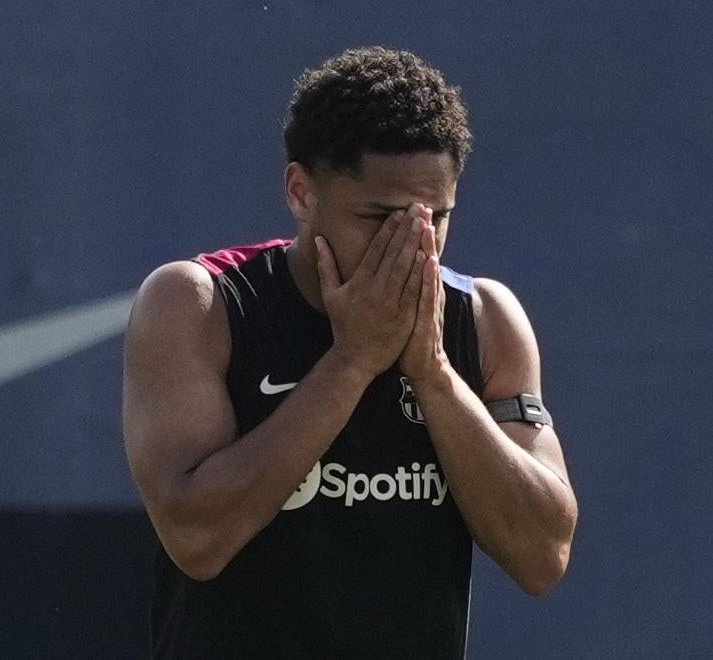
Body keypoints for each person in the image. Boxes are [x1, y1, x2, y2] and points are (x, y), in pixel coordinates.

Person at [122, 46, 578, 659]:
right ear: (300, 192)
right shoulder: (199, 305)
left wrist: (434, 374)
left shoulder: (485, 320)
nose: (415, 244)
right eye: (380, 217)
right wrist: (354, 360)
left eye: (436, 218)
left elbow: (542, 556)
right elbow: (198, 538)